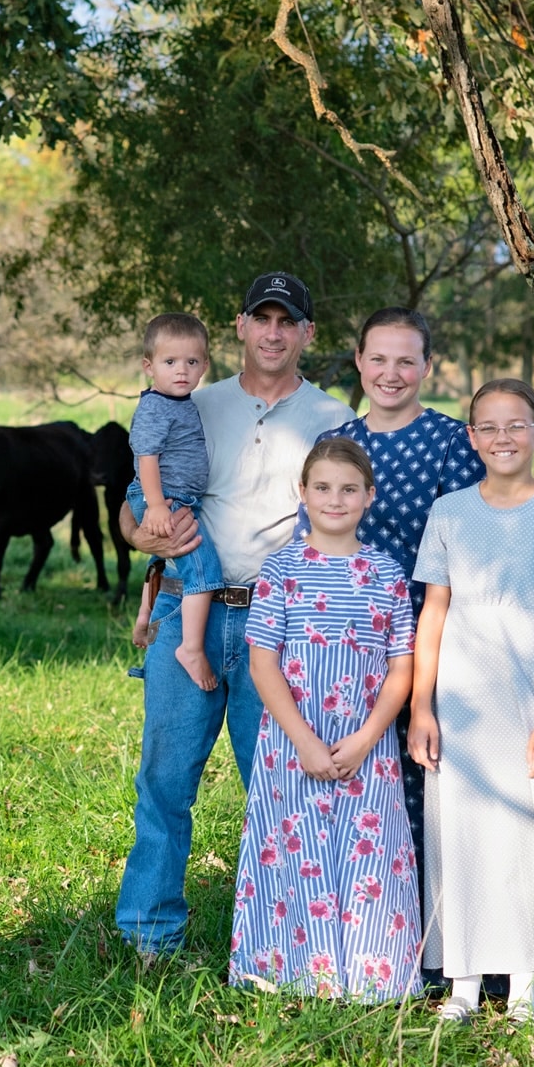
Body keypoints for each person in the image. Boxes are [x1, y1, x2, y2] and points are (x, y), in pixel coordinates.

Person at [115, 273, 354, 958]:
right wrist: (141, 537)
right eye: (262, 318)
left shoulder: (331, 418)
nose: (274, 332)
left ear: (308, 334)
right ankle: (148, 936)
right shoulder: (192, 399)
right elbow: (135, 501)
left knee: (277, 785)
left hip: (275, 624)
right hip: (184, 607)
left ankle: (284, 938)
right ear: (241, 327)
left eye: (289, 321)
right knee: (165, 780)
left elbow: (339, 522)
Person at [406, 378, 534, 1025]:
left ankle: (522, 983)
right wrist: (421, 706)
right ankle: (464, 983)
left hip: (529, 705)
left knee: (526, 837)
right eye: (489, 427)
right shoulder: (449, 514)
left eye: (516, 425)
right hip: (461, 706)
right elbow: (433, 616)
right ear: (471, 438)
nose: (503, 438)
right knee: (462, 837)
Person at [307, 308, 482, 946]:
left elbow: (469, 546)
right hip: (349, 650)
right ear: (358, 361)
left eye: (406, 360)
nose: (391, 373)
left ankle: (448, 944)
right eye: (378, 359)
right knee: (365, 792)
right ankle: (370, 938)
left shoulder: (451, 442)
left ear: (428, 368)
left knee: (432, 790)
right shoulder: (341, 444)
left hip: (435, 638)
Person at [229, 438, 421, 1001]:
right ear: (303, 495)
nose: (334, 500)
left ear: (369, 496)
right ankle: (293, 971)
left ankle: (368, 977)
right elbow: (263, 664)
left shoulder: (385, 573)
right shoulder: (282, 569)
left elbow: (401, 669)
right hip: (295, 738)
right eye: (322, 488)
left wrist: (365, 738)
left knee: (370, 854)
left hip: (366, 740)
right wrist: (305, 742)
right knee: (296, 847)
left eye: (347, 489)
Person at [127, 313, 226, 691]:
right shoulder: (156, 406)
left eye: (191, 362)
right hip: (162, 499)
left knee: (164, 561)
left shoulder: (180, 401)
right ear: (149, 366)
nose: (181, 371)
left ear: (205, 365)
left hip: (175, 499)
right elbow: (147, 457)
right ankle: (190, 647)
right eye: (170, 362)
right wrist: (154, 506)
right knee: (202, 570)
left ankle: (143, 615)